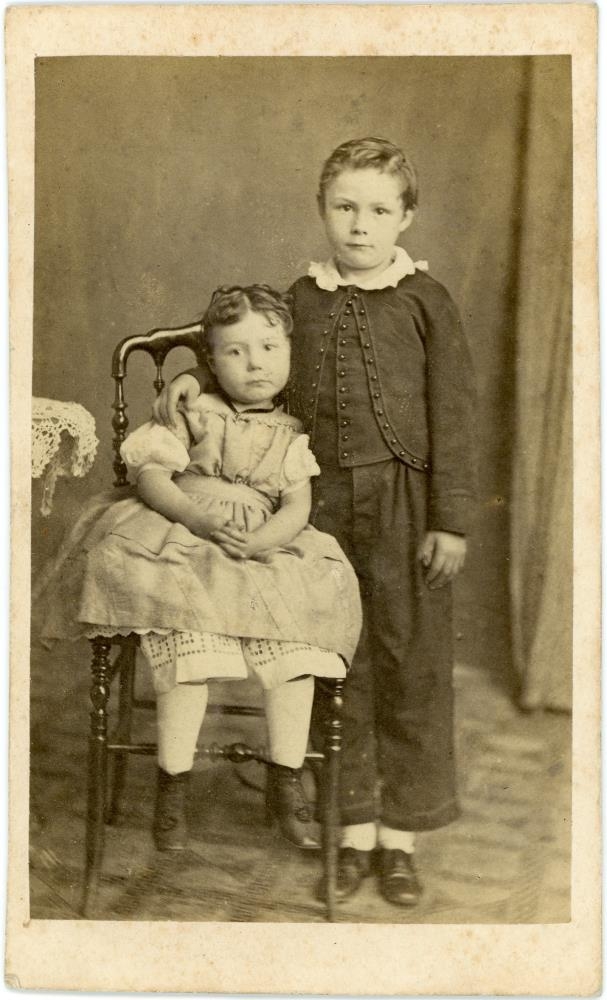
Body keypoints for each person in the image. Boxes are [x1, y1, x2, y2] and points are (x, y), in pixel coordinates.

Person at [154, 137, 477, 906]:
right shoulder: (300, 298)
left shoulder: (426, 301)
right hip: (317, 506)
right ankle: (352, 829)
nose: (359, 226)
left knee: (411, 664)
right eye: (344, 207)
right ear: (321, 209)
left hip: (405, 504)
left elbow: (455, 414)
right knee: (339, 659)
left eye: (378, 211)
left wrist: (450, 520)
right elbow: (245, 349)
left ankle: (399, 839)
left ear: (406, 217)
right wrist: (194, 377)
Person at [41, 284, 362, 855]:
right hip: (183, 533)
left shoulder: (292, 433)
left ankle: (285, 778)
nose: (256, 363)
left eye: (269, 348)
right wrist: (196, 518)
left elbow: (296, 507)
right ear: (211, 361)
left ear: (290, 353)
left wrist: (262, 540)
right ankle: (173, 785)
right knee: (190, 649)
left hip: (258, 546)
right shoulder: (194, 412)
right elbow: (150, 477)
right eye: (236, 351)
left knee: (297, 647)